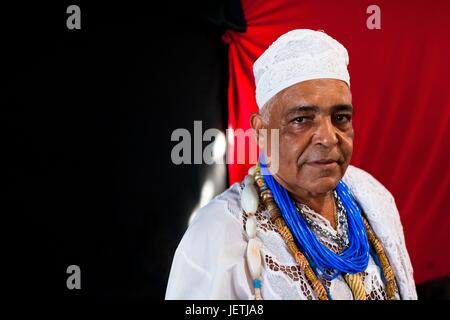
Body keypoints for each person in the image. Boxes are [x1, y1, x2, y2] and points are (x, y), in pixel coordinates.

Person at [165, 29, 417, 300]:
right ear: (261, 131)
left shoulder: (371, 196)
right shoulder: (219, 232)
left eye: (340, 117)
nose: (328, 138)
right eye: (301, 120)